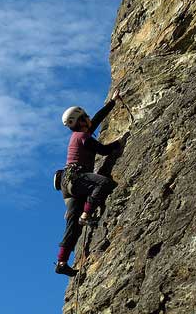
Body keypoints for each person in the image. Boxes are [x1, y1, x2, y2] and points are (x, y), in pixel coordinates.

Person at [54, 90, 126, 277]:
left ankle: (62, 262)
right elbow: (103, 150)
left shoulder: (78, 135)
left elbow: (97, 118)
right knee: (103, 183)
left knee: (72, 225)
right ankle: (86, 215)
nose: (88, 118)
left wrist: (112, 102)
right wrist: (121, 141)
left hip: (67, 186)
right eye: (85, 116)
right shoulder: (83, 137)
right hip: (76, 178)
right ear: (80, 121)